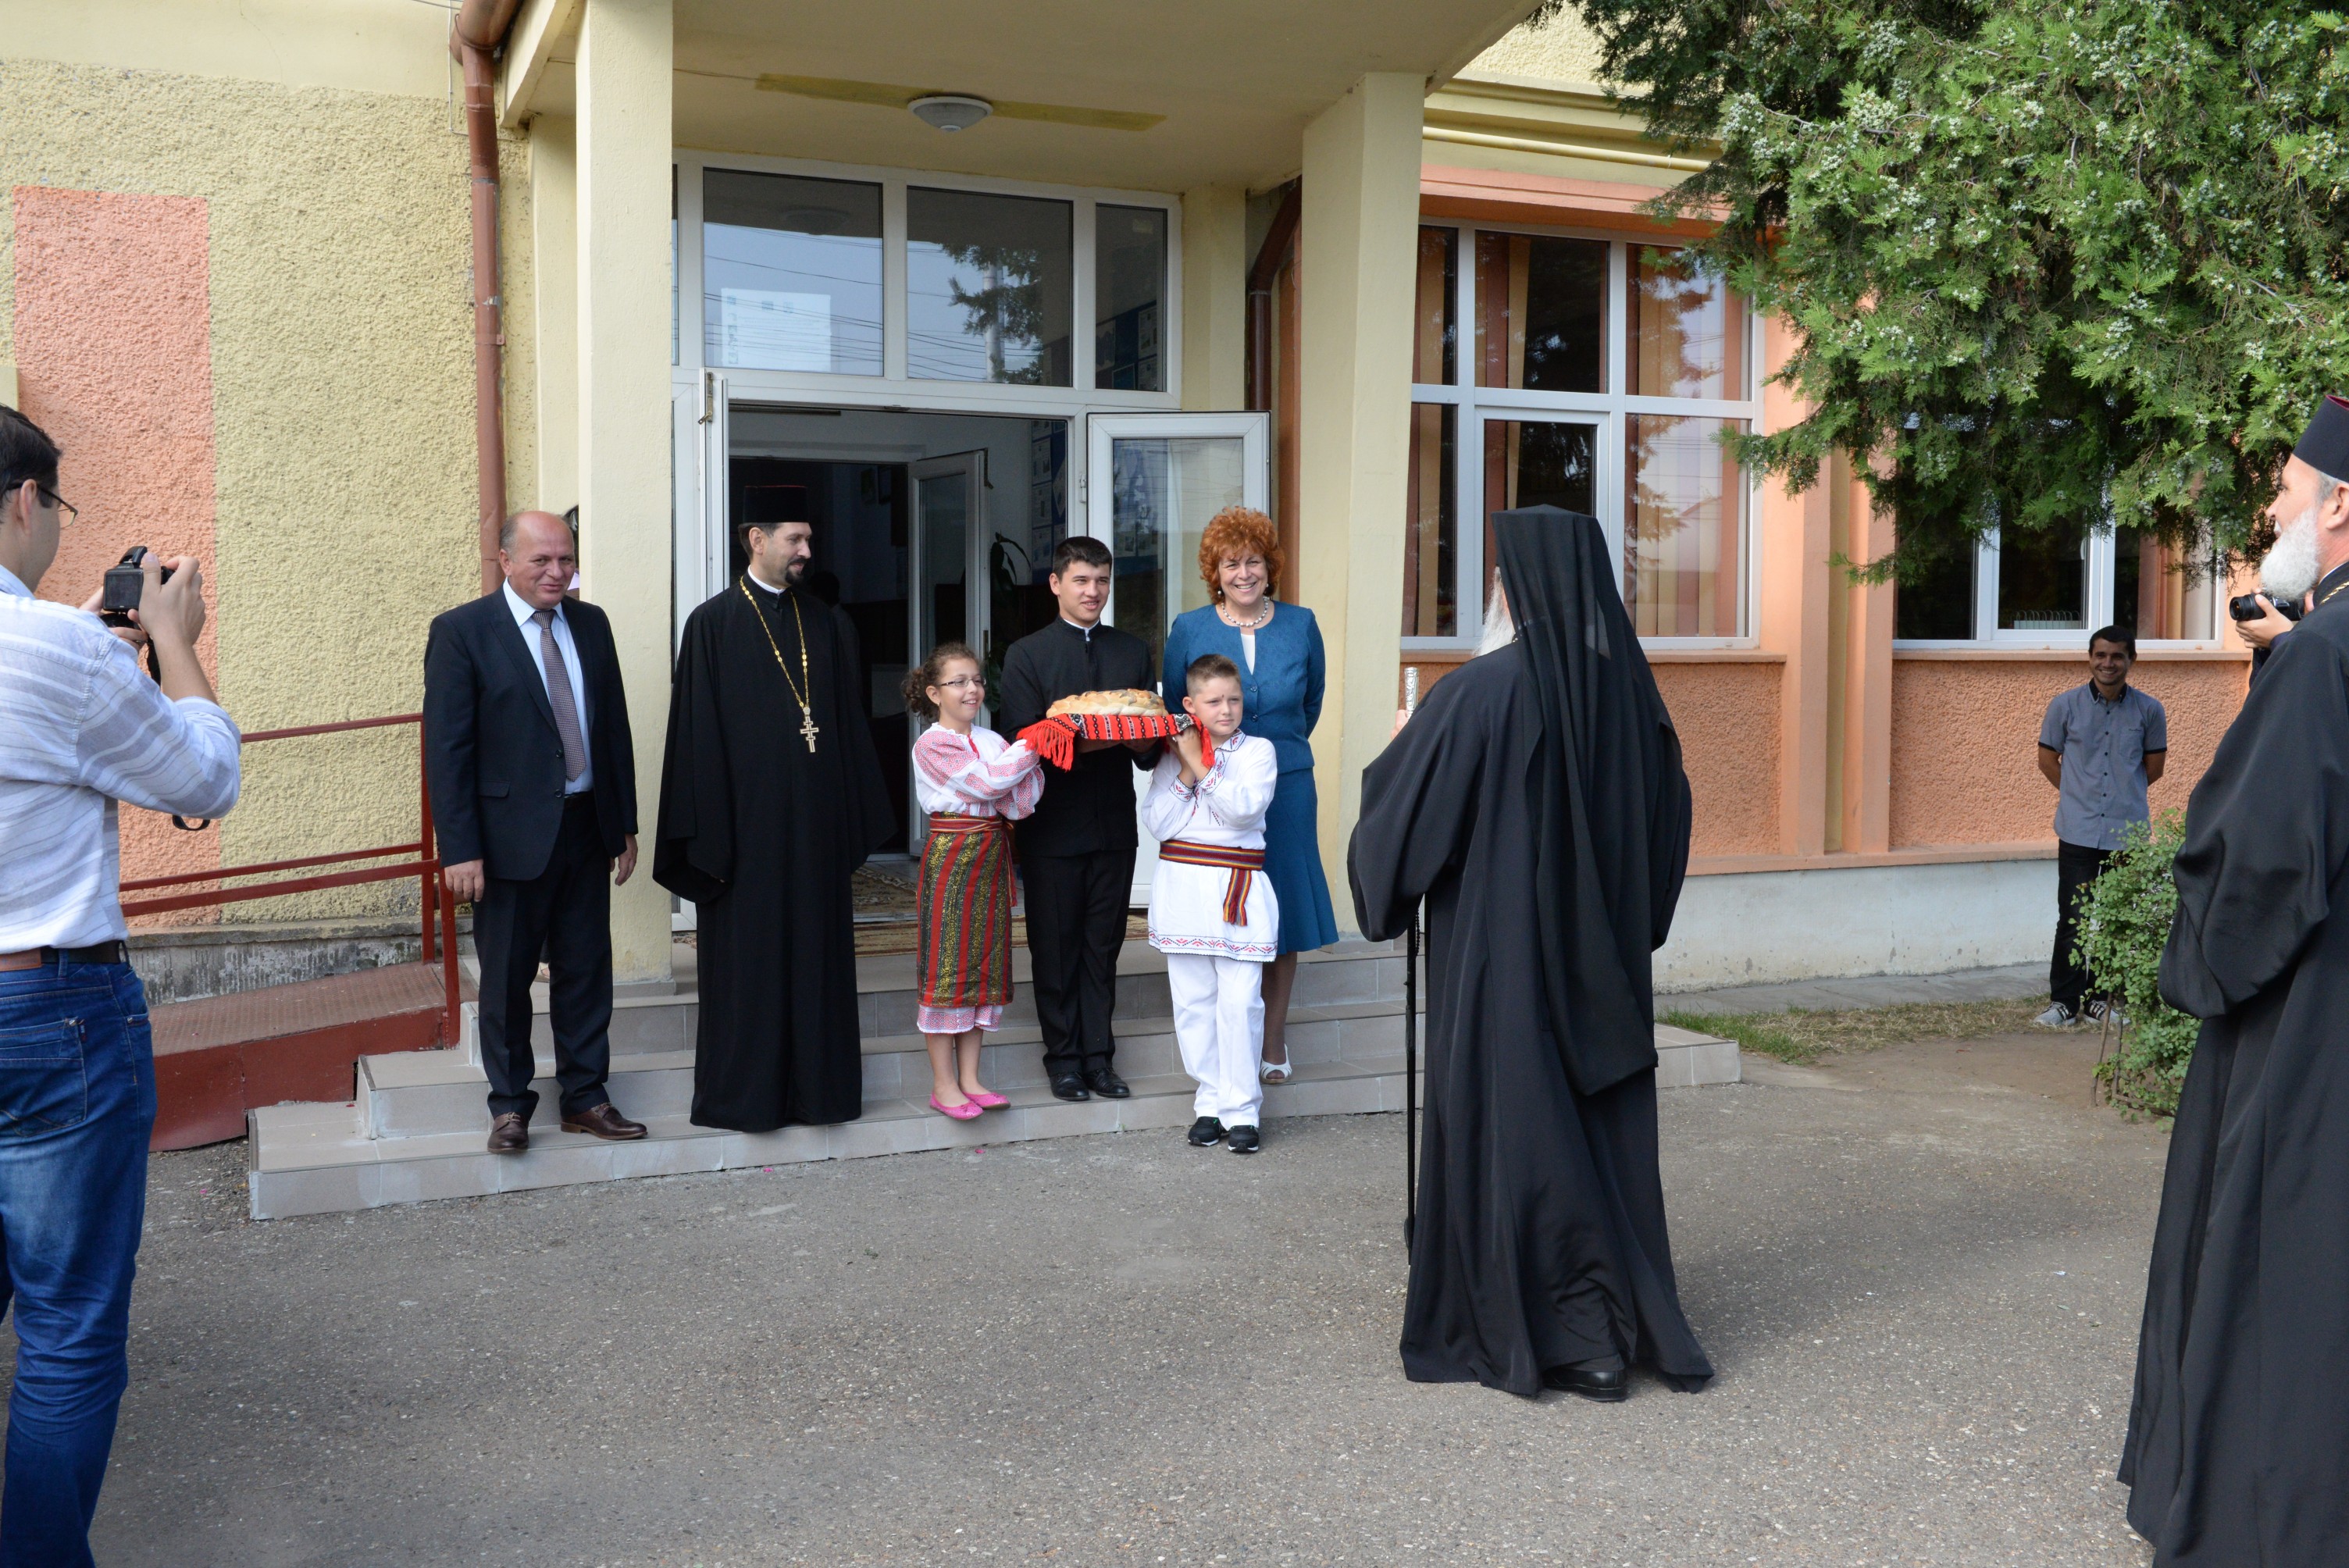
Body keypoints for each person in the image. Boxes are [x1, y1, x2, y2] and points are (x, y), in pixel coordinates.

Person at [1348, 505, 1712, 1402]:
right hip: (1607, 975)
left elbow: (1395, 843)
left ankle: (1548, 1335)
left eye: (1496, 580)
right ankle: (1605, 1331)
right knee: (1597, 1141)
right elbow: (1669, 830)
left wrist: (1398, 755)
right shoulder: (1630, 697)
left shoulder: (1474, 693)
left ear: (1512, 590)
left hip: (1501, 961)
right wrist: (1625, 927)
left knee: (1519, 1137)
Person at [0, 404, 240, 1562]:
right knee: (67, 1328)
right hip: (51, 1012)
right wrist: (171, 633)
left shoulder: (66, 645)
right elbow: (203, 776)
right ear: (25, 501)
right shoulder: (59, 648)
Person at [2120, 393, 2349, 1563]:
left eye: (2285, 489)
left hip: (2314, 1032)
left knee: (2288, 1265)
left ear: (2341, 506)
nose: (2268, 507)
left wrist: (2195, 955)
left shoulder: (2323, 659)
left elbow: (2258, 866)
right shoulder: (2316, 647)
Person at [654, 511, 894, 1131]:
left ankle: (822, 1095)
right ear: (756, 541)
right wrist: (711, 836)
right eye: (795, 539)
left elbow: (843, 726)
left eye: (810, 539)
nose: (806, 551)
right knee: (751, 968)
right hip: (745, 836)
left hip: (814, 832)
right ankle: (747, 1099)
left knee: (817, 961)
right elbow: (695, 737)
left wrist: (848, 816)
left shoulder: (826, 622)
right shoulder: (711, 624)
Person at [425, 511, 647, 1154]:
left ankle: (586, 1097)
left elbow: (613, 731)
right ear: (504, 561)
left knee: (586, 971)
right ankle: (509, 1106)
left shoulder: (591, 623)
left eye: (567, 559)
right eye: (542, 561)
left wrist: (623, 823)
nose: (558, 572)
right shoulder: (463, 632)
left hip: (585, 828)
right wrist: (459, 847)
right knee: (506, 981)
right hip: (505, 842)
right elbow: (448, 751)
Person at [1160, 507, 1336, 1085]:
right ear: (1215, 569)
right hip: (1207, 785)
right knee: (1221, 909)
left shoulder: (1301, 622)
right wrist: (1210, 766)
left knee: (1278, 908)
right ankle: (1223, 1039)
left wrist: (1269, 758)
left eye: (1254, 560)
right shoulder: (1189, 627)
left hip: (1285, 787)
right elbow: (1173, 706)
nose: (1243, 573)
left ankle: (1272, 1039)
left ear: (1270, 566)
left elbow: (1308, 705)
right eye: (1231, 562)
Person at [995, 536, 1157, 1103]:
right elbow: (1027, 739)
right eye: (1083, 581)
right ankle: (1062, 1060)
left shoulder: (1133, 651)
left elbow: (1146, 744)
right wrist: (1099, 734)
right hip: (1051, 827)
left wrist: (1121, 734)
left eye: (1103, 581)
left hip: (1115, 825)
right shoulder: (1026, 655)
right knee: (1056, 947)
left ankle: (1099, 1060)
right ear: (1057, 584)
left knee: (1102, 947)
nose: (1094, 592)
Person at [1144, 654, 1281, 1155]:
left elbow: (1243, 812)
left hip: (1236, 888)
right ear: (1190, 704)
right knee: (1194, 1003)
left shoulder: (1258, 751)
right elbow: (1159, 825)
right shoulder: (1168, 758)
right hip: (1182, 888)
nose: (1226, 709)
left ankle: (1243, 1109)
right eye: (1214, 701)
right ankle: (1210, 1102)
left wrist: (1197, 763)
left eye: (1234, 699)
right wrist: (1184, 769)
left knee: (1241, 1002)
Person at [904, 642, 1043, 1121]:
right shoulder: (932, 743)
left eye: (977, 680)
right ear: (934, 692)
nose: (971, 689)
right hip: (953, 854)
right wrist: (1032, 747)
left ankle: (970, 1078)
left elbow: (1021, 802)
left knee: (983, 965)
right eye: (958, 682)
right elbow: (987, 787)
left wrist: (1013, 764)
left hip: (991, 853)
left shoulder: (993, 741)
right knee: (948, 966)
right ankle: (943, 1085)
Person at [2032, 626, 2166, 1029]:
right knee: (2072, 917)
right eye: (2101, 655)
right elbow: (2046, 760)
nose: (2108, 663)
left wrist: (2120, 797)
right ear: (2089, 658)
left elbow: (2153, 769)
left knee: (2116, 920)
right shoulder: (2065, 706)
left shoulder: (2149, 710)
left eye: (2117, 656)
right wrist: (2078, 795)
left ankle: (2103, 999)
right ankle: (2065, 1002)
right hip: (2078, 831)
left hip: (2126, 834)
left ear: (2131, 661)